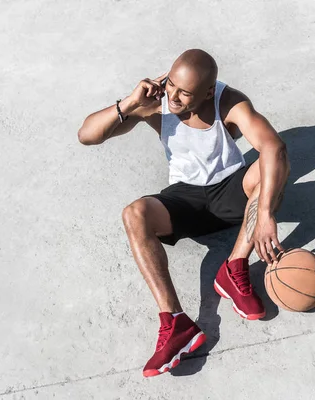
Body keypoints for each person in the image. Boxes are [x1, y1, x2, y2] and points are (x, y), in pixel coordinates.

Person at [77, 49, 290, 377]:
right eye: (172, 85)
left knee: (275, 162)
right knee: (134, 213)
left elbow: (273, 145)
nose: (173, 97)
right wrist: (130, 104)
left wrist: (264, 214)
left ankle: (234, 269)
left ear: (208, 91)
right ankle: (175, 322)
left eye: (184, 92)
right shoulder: (154, 101)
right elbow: (87, 135)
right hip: (184, 198)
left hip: (229, 190)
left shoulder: (229, 102)